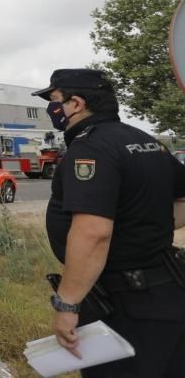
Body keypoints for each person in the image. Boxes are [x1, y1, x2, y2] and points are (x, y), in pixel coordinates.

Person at [35, 68, 185, 376]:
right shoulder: (146, 141)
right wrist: (144, 228)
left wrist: (67, 305)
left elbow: (93, 233)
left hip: (124, 307)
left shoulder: (89, 147)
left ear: (76, 103)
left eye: (54, 100)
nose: (51, 109)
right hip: (167, 294)